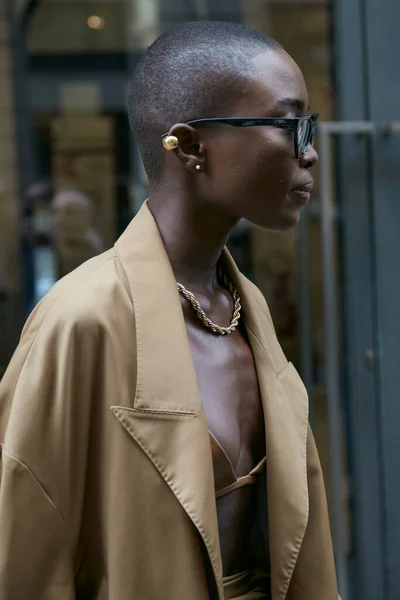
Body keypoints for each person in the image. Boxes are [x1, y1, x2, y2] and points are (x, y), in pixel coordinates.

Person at [0, 21, 339, 600]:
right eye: (287, 124)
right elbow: (27, 561)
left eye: (308, 126)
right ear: (189, 146)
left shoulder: (243, 303)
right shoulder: (82, 319)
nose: (307, 153)